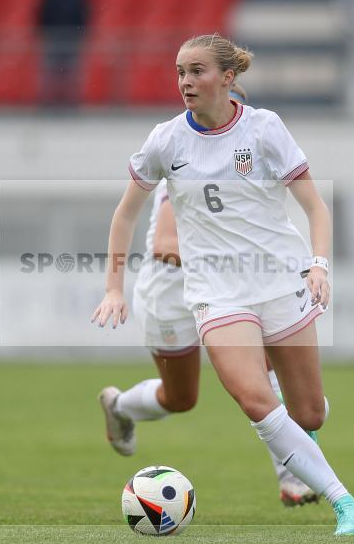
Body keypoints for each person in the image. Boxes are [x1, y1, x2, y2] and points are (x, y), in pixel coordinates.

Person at [92, 34, 354, 536]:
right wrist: (113, 287)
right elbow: (124, 215)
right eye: (179, 72)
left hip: (277, 282)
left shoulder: (265, 129)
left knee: (309, 411)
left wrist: (318, 265)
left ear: (228, 77)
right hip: (215, 296)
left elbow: (315, 206)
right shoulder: (166, 140)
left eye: (196, 71)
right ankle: (344, 502)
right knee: (255, 399)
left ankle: (298, 454)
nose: (185, 82)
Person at [99, 82, 324, 508]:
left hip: (226, 290)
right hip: (170, 291)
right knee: (180, 398)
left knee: (266, 373)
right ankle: (121, 406)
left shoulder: (252, 146)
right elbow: (166, 242)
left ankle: (294, 478)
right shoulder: (183, 159)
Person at [36, 0, 89, 105]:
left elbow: (83, 14)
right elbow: (43, 13)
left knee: (71, 74)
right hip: (53, 37)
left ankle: (71, 104)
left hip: (72, 38)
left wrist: (80, 32)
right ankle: (49, 104)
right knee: (51, 74)